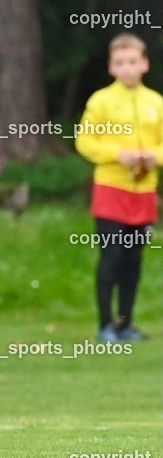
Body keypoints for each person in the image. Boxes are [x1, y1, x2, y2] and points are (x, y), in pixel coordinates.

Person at [75, 32, 162, 342]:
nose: (127, 68)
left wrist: (156, 157)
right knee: (111, 256)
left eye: (133, 62)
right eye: (120, 63)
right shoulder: (101, 101)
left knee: (132, 261)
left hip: (144, 192)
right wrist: (117, 155)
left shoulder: (156, 103)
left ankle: (126, 323)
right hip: (111, 189)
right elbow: (85, 141)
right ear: (111, 67)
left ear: (144, 65)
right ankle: (105, 324)